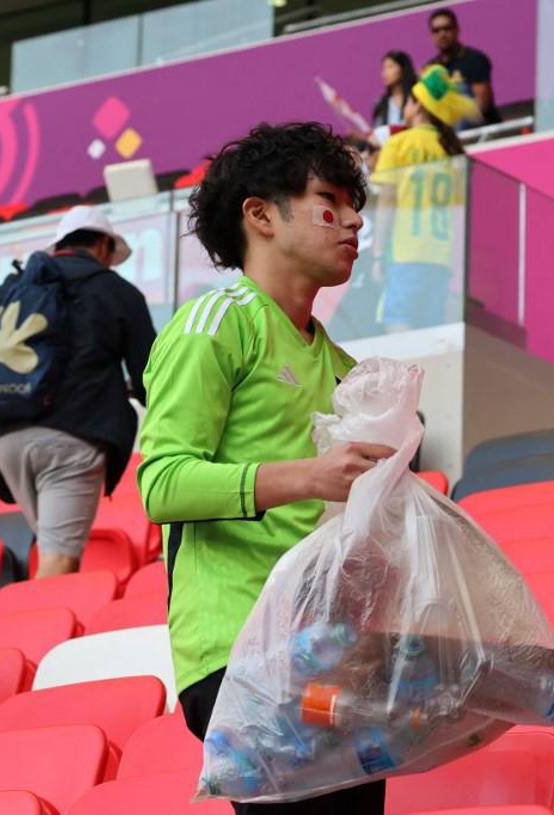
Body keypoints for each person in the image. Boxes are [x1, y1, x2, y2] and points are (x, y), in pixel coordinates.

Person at [136, 122, 394, 814]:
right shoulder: (216, 322)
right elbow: (160, 485)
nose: (353, 219)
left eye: (354, 203)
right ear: (260, 215)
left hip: (330, 649)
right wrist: (307, 476)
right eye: (328, 200)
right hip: (243, 652)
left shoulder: (346, 368)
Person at [0, 206, 155, 578]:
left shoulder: (9, 289)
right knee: (59, 562)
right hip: (73, 441)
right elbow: (151, 376)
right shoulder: (117, 290)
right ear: (102, 245)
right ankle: (34, 635)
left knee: (51, 550)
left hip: (6, 443)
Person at [370, 65, 476, 332]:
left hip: (406, 254)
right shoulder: (452, 152)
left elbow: (386, 203)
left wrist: (379, 255)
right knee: (429, 332)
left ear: (416, 106)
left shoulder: (399, 144)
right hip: (441, 258)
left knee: (398, 325)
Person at [426, 7, 501, 125]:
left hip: (482, 133)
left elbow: (482, 105)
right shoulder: (430, 69)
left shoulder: (475, 59)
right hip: (450, 135)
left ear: (457, 30)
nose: (442, 34)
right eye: (436, 30)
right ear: (431, 35)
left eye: (447, 28)